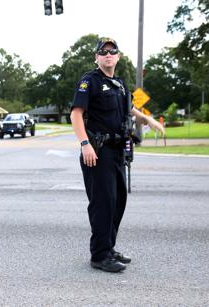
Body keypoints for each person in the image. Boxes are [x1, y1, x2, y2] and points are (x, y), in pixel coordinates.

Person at [70, 37, 165, 273]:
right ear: (97, 57)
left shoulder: (120, 85)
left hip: (117, 151)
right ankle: (100, 255)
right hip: (97, 152)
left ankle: (109, 247)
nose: (108, 55)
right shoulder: (89, 81)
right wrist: (85, 144)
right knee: (103, 203)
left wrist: (149, 120)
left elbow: (130, 108)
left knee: (117, 202)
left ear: (119, 57)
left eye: (112, 52)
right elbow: (76, 114)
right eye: (103, 52)